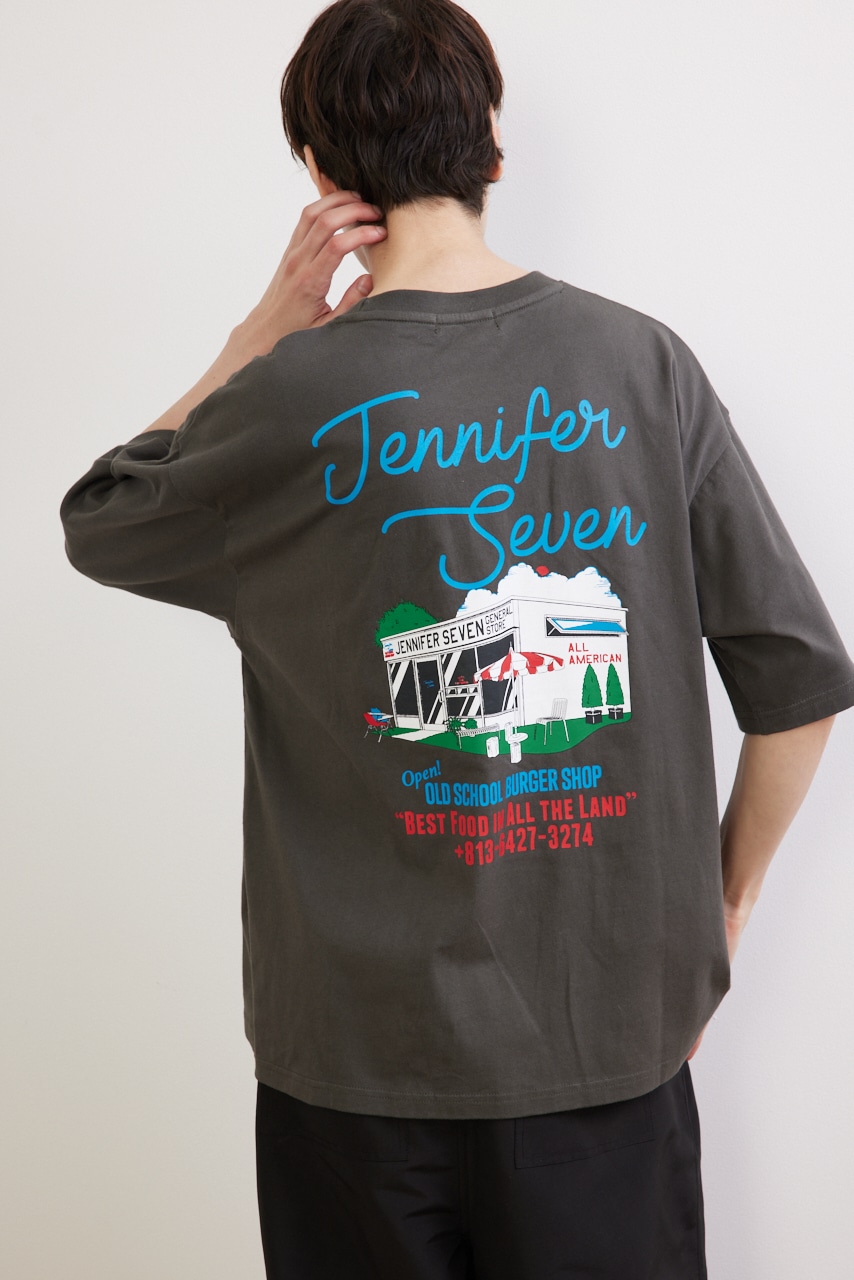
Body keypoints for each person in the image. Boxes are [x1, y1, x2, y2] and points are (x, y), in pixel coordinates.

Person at [59, 1, 854, 1276]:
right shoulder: (641, 365)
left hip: (353, 1064)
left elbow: (103, 516)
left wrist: (255, 337)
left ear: (321, 171)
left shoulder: (288, 397)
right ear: (490, 140)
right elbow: (797, 682)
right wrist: (720, 908)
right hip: (607, 1040)